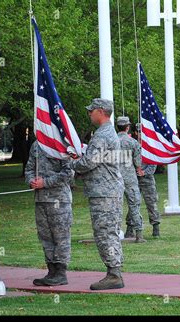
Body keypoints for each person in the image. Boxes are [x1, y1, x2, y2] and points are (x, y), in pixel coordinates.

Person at [70, 98, 125, 290]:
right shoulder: (107, 132)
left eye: (91, 111)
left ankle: (114, 274)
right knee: (107, 231)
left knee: (105, 233)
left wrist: (71, 164)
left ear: (101, 111)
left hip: (105, 193)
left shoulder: (102, 135)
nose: (89, 113)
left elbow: (89, 162)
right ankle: (114, 271)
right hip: (107, 191)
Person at [25, 141, 74, 286]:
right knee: (45, 237)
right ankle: (51, 271)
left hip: (59, 199)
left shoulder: (62, 144)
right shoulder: (36, 145)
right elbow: (29, 168)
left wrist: (45, 182)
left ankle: (60, 272)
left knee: (61, 237)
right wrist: (31, 181)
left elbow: (68, 173)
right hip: (41, 200)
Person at [116, 116, 145, 243]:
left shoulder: (111, 141)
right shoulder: (133, 142)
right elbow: (137, 162)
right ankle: (138, 234)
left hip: (114, 177)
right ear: (128, 127)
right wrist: (139, 169)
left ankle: (114, 232)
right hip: (130, 178)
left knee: (115, 206)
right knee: (134, 204)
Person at [136, 125, 161, 237]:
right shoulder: (133, 145)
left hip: (147, 180)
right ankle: (132, 227)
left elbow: (153, 164)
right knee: (134, 204)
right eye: (139, 132)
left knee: (152, 203)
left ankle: (156, 228)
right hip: (134, 180)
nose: (141, 134)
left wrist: (144, 172)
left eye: (143, 131)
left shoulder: (150, 146)